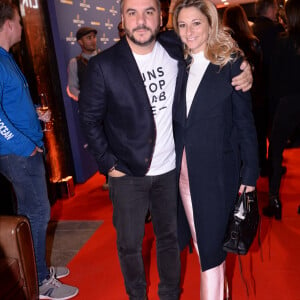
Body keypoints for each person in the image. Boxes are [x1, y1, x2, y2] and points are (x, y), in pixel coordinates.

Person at [79, 0, 253, 299]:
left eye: (148, 12)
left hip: (172, 170)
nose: (141, 20)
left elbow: (210, 48)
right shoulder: (104, 65)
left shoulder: (175, 49)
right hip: (128, 171)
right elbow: (89, 119)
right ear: (122, 19)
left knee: (172, 240)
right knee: (130, 245)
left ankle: (170, 295)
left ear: (160, 19)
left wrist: (243, 65)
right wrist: (109, 163)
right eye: (132, 13)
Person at [172, 0, 259, 299]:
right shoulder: (177, 61)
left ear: (210, 22)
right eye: (182, 25)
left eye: (196, 23)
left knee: (210, 253)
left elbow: (245, 123)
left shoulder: (230, 63)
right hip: (184, 176)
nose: (189, 31)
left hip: (217, 175)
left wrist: (250, 172)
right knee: (203, 247)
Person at [0, 2, 78, 299]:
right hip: (18, 154)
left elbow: (9, 105)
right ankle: (41, 282)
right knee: (37, 213)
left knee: (31, 213)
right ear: (8, 24)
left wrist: (34, 113)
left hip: (22, 150)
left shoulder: (6, 59)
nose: (21, 26)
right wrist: (26, 147)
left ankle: (36, 270)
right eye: (18, 22)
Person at [264, 0, 300, 219]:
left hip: (286, 103)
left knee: (275, 151)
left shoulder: (282, 43)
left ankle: (274, 200)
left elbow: (274, 80)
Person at [222, 5, 266, 179]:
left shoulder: (224, 45)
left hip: (231, 102)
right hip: (254, 99)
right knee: (253, 134)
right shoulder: (253, 42)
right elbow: (262, 72)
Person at [67, 26, 109, 190]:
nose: (93, 40)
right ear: (80, 42)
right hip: (92, 113)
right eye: (88, 37)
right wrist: (87, 99)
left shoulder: (105, 57)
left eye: (94, 37)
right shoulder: (75, 63)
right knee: (99, 145)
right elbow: (72, 88)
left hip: (112, 109)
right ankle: (108, 175)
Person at [252, 0, 285, 175]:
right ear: (271, 9)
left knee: (258, 128)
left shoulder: (251, 29)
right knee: (275, 131)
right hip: (274, 87)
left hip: (255, 89)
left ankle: (261, 164)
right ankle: (272, 165)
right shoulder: (276, 30)